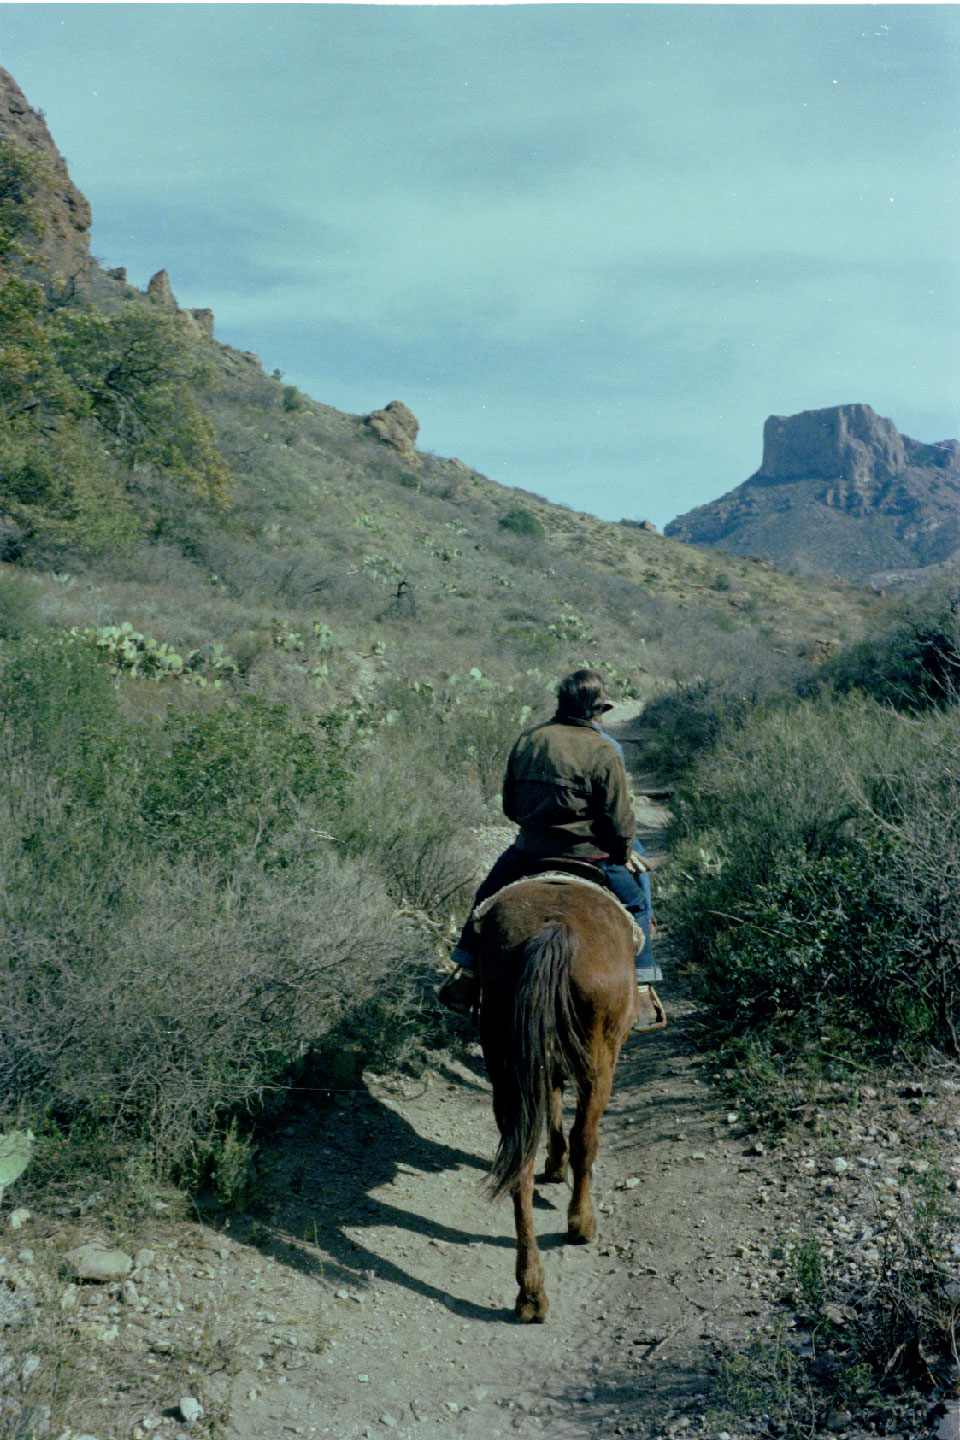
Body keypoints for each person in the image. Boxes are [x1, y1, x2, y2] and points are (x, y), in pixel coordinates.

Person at [439, 668, 664, 1025]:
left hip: (530, 850)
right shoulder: (605, 750)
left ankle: (465, 974)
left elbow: (511, 807)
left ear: (561, 703)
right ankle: (642, 989)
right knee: (636, 904)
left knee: (485, 897)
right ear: (597, 710)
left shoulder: (529, 739)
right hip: (591, 854)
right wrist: (621, 855)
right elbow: (620, 820)